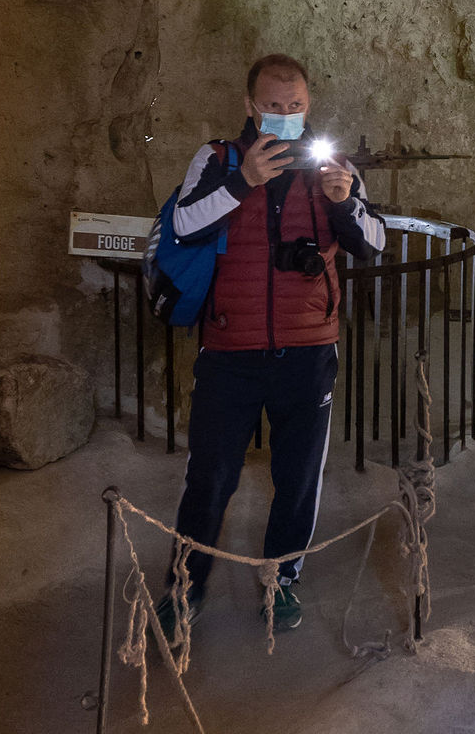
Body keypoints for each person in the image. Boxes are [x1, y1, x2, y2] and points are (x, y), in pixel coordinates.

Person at [159, 53, 384, 634]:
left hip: (308, 352)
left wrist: (344, 202)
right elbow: (184, 226)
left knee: (299, 477)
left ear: (309, 106)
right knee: (210, 477)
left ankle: (282, 580)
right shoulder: (215, 160)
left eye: (295, 107)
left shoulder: (332, 165)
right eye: (272, 108)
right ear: (249, 107)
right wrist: (243, 182)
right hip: (230, 351)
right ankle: (186, 586)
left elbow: (375, 242)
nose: (284, 117)